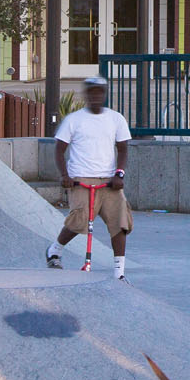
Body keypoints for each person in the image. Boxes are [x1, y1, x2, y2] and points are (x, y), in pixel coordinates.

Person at [47, 75, 133, 279]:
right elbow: (59, 150)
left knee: (120, 222)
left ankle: (119, 273)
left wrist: (119, 174)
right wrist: (65, 176)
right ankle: (54, 251)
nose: (95, 96)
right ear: (86, 95)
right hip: (81, 179)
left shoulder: (116, 118)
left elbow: (122, 150)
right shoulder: (73, 120)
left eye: (99, 92)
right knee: (80, 219)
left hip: (109, 182)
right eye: (91, 92)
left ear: (104, 95)